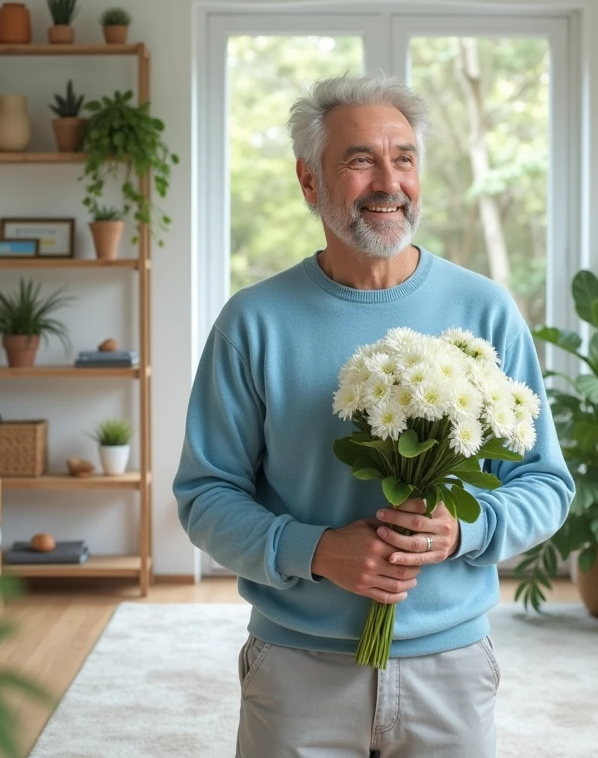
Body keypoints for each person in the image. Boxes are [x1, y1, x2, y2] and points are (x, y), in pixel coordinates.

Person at [173, 74, 575, 757]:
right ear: (310, 183)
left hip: (451, 667)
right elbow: (205, 496)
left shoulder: (486, 311)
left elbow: (546, 484)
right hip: (297, 669)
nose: (389, 181)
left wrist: (462, 531)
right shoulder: (254, 321)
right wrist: (319, 551)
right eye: (360, 160)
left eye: (405, 158)